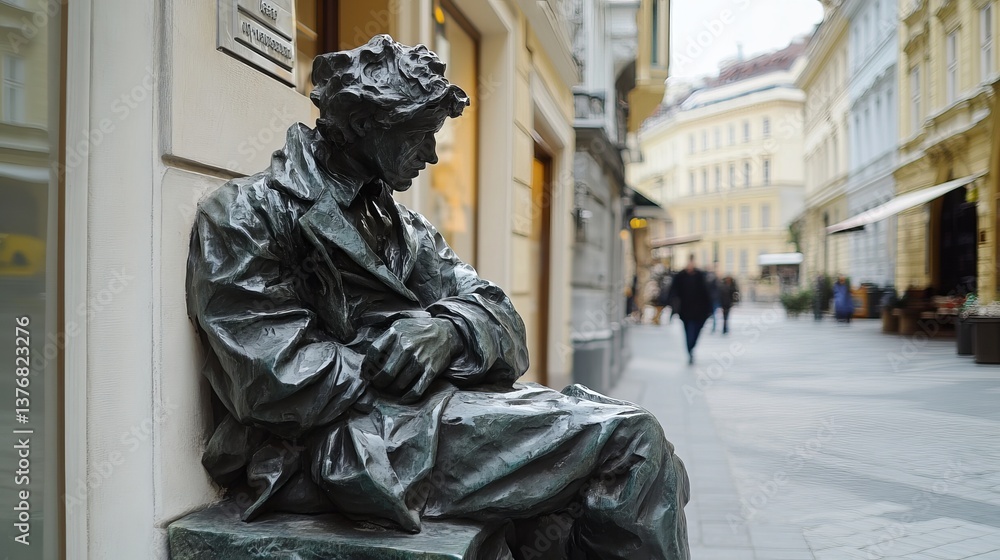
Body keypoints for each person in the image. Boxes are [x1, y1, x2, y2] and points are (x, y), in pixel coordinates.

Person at [185, 36, 689, 559]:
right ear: (363, 126)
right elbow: (270, 381)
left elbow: (503, 320)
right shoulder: (246, 214)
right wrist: (395, 352)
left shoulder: (402, 227)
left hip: (420, 416)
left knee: (635, 450)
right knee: (632, 445)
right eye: (420, 136)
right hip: (344, 442)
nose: (430, 154)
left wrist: (447, 332)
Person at [666, 254, 714, 364]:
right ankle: (690, 351)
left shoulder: (700, 276)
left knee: (696, 331)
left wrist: (709, 309)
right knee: (688, 332)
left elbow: (707, 293)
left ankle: (691, 348)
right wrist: (671, 304)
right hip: (685, 311)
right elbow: (673, 291)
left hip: (699, 312)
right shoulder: (680, 276)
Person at [706, 266, 720, 333]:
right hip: (712, 299)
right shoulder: (715, 282)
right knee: (713, 314)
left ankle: (713, 327)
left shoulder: (711, 282)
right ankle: (713, 327)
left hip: (713, 300)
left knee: (713, 314)